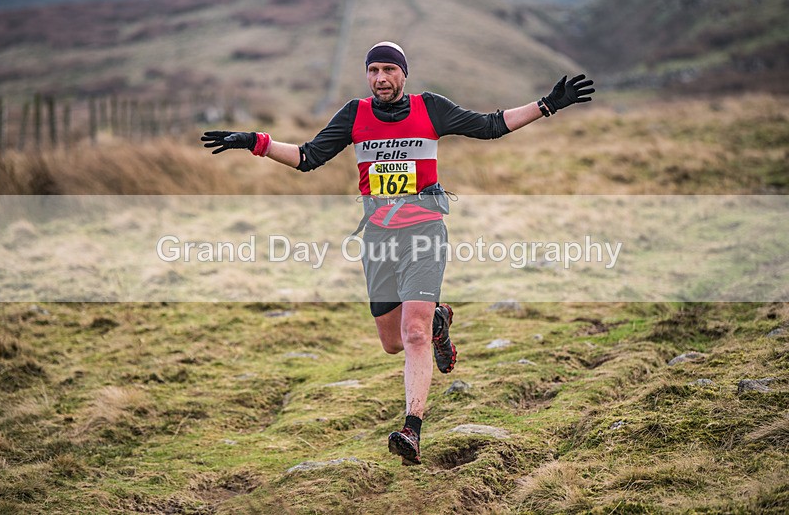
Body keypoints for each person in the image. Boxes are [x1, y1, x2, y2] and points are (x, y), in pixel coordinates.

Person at [202, 41, 594, 465]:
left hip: (424, 232)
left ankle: (413, 428)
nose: (381, 78)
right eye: (373, 71)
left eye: (389, 69)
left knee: (414, 334)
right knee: (392, 342)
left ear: (404, 74)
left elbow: (491, 125)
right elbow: (307, 157)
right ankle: (438, 320)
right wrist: (255, 142)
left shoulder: (431, 108)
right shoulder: (354, 115)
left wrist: (547, 105)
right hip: (378, 239)